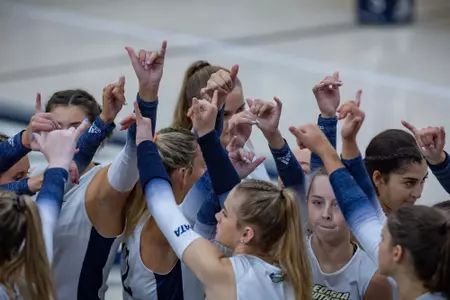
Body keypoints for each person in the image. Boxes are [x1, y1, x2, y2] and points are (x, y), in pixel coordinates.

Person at [137, 90, 313, 300]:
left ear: (246, 234)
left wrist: (145, 145)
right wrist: (272, 136)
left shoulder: (221, 274)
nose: (218, 215)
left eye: (226, 214)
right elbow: (297, 188)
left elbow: (164, 208)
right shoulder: (297, 270)